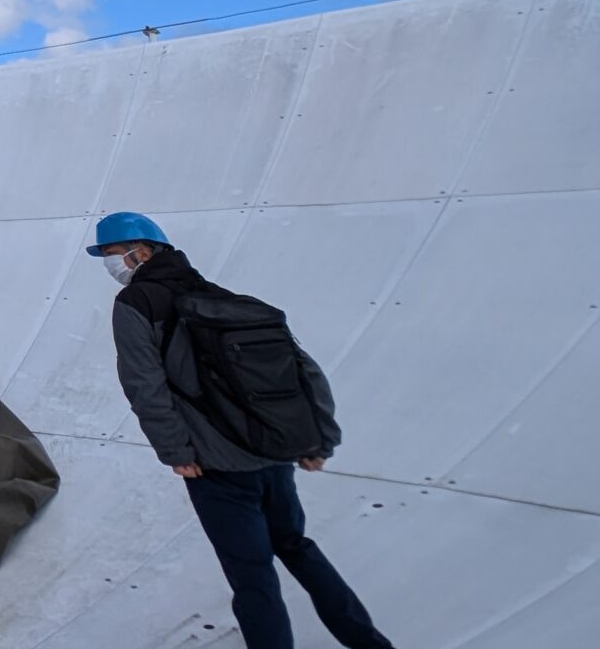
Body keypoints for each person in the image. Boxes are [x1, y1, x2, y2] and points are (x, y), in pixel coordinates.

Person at [90, 214, 393, 649]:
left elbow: (144, 385)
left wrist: (176, 452)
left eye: (111, 254)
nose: (110, 264)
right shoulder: (222, 297)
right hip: (273, 455)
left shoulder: (136, 304)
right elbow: (305, 370)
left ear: (140, 251)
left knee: (253, 579)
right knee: (297, 547)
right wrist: (317, 440)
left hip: (218, 469)